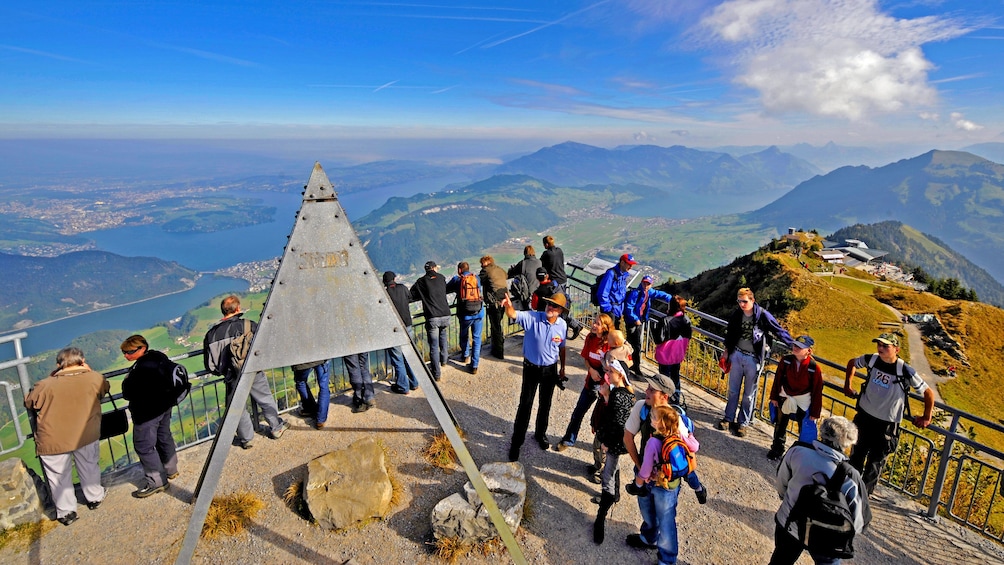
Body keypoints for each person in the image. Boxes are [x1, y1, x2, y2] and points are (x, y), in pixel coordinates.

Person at [24, 346, 109, 526]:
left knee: (57, 476)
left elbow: (30, 402)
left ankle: (66, 512)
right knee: (89, 466)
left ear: (58, 364)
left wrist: (54, 375)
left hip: (53, 438)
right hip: (85, 434)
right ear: (83, 361)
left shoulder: (45, 385)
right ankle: (94, 498)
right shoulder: (95, 378)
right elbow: (103, 389)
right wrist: (89, 371)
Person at [842, 332, 934, 495]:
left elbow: (928, 392)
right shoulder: (871, 359)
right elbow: (852, 363)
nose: (880, 348)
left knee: (875, 464)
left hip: (886, 424)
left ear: (896, 349)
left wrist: (927, 417)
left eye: (885, 346)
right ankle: (848, 492)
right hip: (864, 417)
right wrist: (848, 385)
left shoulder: (904, 369)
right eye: (879, 344)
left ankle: (863, 497)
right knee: (856, 456)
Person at [770, 416, 870, 565]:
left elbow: (781, 485)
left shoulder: (797, 451)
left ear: (822, 432)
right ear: (847, 443)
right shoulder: (851, 475)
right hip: (827, 538)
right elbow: (860, 521)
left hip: (789, 524)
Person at [203, 295, 288, 449]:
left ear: (223, 311)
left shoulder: (212, 334)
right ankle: (276, 428)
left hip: (231, 376)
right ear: (237, 308)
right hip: (252, 371)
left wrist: (225, 370)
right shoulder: (249, 325)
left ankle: (246, 439)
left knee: (238, 407)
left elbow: (210, 365)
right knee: (265, 399)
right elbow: (263, 348)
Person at [718, 287, 794, 438]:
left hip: (753, 358)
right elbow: (730, 333)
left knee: (749, 395)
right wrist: (727, 351)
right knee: (733, 390)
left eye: (745, 301)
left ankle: (743, 423)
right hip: (736, 355)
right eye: (739, 301)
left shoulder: (763, 315)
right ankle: (728, 418)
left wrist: (794, 345)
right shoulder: (737, 315)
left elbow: (778, 330)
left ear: (753, 300)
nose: (742, 304)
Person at [502, 291, 568, 462]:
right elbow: (513, 314)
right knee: (525, 405)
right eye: (549, 304)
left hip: (550, 369)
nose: (550, 307)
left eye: (554, 306)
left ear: (560, 310)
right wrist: (508, 306)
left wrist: (563, 368)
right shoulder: (533, 317)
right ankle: (516, 443)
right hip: (531, 368)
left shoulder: (562, 325)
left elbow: (562, 347)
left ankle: (540, 434)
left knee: (545, 404)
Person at [622, 373, 676, 554]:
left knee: (666, 520)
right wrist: (640, 467)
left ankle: (667, 559)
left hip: (665, 481)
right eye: (648, 388)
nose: (646, 391)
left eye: (652, 390)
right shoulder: (641, 408)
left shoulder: (675, 418)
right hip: (644, 474)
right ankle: (649, 537)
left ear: (664, 396)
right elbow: (628, 437)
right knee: (647, 511)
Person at [120, 335, 179, 498]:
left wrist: (128, 379)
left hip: (147, 413)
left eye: (129, 352)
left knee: (144, 446)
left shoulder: (141, 369)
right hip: (164, 406)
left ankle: (157, 482)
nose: (126, 355)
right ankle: (171, 470)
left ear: (142, 349)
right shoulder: (159, 356)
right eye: (124, 353)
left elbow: (128, 392)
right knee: (163, 436)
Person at [625, 404, 684, 564]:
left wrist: (637, 484)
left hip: (656, 483)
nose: (650, 419)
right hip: (671, 484)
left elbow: (645, 470)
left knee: (661, 519)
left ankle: (666, 559)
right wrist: (697, 487)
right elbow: (693, 449)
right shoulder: (677, 429)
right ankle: (653, 542)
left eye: (653, 418)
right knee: (662, 517)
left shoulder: (652, 442)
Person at [555, 313, 614, 454]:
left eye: (598, 324)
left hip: (607, 387)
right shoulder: (590, 338)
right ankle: (569, 439)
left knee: (603, 420)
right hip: (591, 383)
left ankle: (604, 449)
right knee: (578, 412)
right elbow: (586, 358)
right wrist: (591, 370)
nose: (593, 325)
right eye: (594, 322)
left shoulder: (611, 343)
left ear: (605, 327)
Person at [592, 360, 635, 544]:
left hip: (615, 444)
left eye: (610, 371)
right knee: (613, 469)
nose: (607, 373)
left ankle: (600, 518)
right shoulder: (623, 394)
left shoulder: (619, 395)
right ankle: (613, 496)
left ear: (620, 375)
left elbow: (617, 424)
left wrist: (607, 443)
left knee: (607, 476)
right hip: (619, 442)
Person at [767, 335, 824, 461]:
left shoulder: (814, 368)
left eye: (800, 347)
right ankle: (777, 449)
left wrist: (815, 412)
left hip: (803, 402)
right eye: (795, 345)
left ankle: (800, 456)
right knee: (780, 425)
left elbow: (817, 391)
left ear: (809, 351)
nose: (796, 348)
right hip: (785, 397)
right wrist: (774, 397)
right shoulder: (786, 361)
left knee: (803, 429)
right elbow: (778, 379)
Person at [624, 275, 673, 375]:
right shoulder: (635, 293)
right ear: (641, 282)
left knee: (635, 344)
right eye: (644, 283)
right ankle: (632, 366)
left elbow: (660, 294)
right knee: (633, 344)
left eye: (648, 283)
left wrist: (672, 300)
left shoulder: (649, 292)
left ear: (651, 285)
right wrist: (636, 319)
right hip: (632, 322)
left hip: (640, 320)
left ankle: (632, 365)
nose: (646, 285)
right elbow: (628, 307)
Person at [410, 261, 450, 381]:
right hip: (446, 314)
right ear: (434, 268)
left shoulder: (421, 281)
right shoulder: (442, 277)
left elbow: (411, 293)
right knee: (443, 337)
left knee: (433, 345)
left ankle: (436, 374)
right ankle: (444, 361)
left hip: (433, 316)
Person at [541, 235, 585, 339]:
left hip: (555, 283)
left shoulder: (546, 254)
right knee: (560, 306)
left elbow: (541, 266)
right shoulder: (559, 250)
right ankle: (569, 328)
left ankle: (573, 326)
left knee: (557, 307)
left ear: (546, 244)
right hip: (563, 279)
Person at [446, 261, 484, 375]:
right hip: (479, 312)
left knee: (464, 335)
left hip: (465, 314)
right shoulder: (476, 277)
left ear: (459, 270)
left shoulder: (457, 280)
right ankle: (474, 365)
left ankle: (465, 355)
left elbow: (446, 288)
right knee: (477, 338)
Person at [383, 271, 418, 394]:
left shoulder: (384, 293)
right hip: (407, 324)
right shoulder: (403, 288)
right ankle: (414, 382)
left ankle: (403, 386)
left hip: (394, 329)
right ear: (394, 279)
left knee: (398, 359)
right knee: (410, 355)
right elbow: (410, 298)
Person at [653, 296, 692, 408]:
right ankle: (675, 399)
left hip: (665, 355)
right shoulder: (686, 320)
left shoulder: (665, 320)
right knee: (675, 377)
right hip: (678, 354)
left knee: (664, 378)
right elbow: (688, 337)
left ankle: (663, 398)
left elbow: (658, 339)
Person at [479, 255, 509, 360]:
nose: (481, 266)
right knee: (497, 324)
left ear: (485, 263)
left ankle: (499, 351)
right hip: (504, 300)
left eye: (482, 263)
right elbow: (506, 275)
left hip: (494, 302)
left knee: (496, 326)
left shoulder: (485, 271)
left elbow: (478, 281)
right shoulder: (499, 269)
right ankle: (496, 345)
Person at [596, 253, 636, 329]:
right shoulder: (611, 274)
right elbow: (602, 293)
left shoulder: (623, 275)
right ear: (622, 263)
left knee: (613, 336)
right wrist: (608, 310)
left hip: (617, 311)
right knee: (608, 336)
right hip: (610, 311)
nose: (631, 267)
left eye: (631, 265)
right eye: (629, 264)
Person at [291, 359, 330, 428]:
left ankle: (310, 409)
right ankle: (320, 420)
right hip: (321, 357)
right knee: (324, 387)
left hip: (301, 361)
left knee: (301, 382)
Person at [508, 245, 542, 310]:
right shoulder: (539, 262)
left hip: (527, 293)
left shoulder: (522, 263)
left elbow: (512, 273)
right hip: (538, 292)